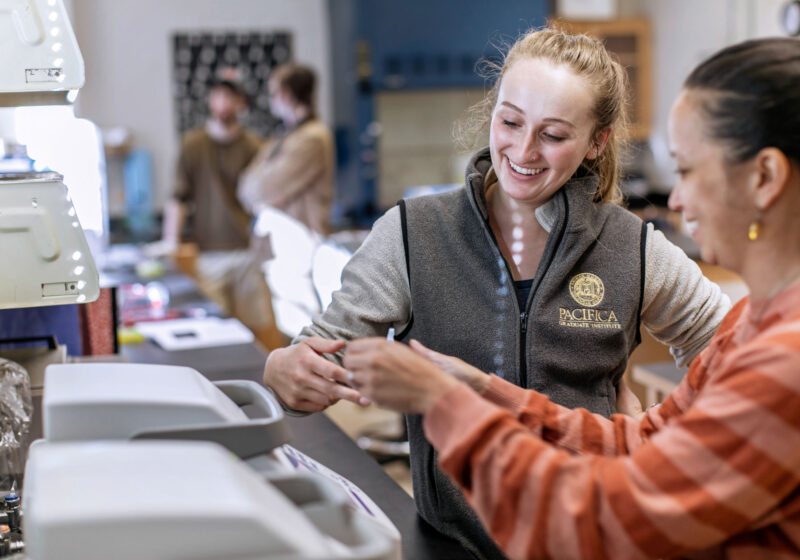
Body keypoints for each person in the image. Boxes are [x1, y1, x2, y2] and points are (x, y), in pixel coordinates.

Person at [263, 28, 731, 558]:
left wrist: (654, 439)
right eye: (510, 122)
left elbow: (731, 359)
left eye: (553, 135)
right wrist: (285, 369)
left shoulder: (634, 247)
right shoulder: (413, 234)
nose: (523, 151)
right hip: (454, 543)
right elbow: (324, 350)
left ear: (597, 142)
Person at [159, 78, 283, 349]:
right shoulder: (193, 145)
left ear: (241, 103)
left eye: (230, 97)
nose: (224, 103)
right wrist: (172, 243)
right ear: (210, 101)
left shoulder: (253, 147)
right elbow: (179, 196)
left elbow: (266, 200)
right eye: (218, 96)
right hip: (209, 254)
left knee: (256, 326)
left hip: (246, 251)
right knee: (214, 328)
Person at [238, 63, 334, 235]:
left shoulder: (312, 138)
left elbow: (266, 190)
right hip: (282, 245)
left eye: (273, 93)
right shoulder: (283, 136)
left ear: (286, 94)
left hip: (302, 245)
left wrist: (263, 189)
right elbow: (245, 189)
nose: (271, 100)